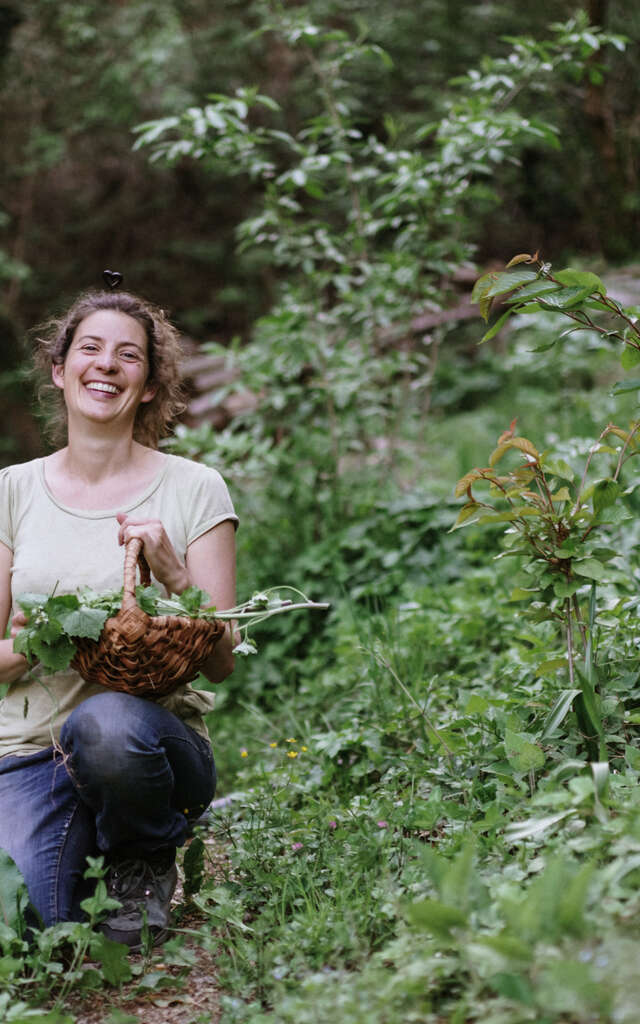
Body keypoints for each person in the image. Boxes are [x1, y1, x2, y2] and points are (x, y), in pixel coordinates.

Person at [0, 283, 238, 948]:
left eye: (128, 356)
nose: (106, 364)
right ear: (60, 368)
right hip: (28, 754)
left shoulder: (195, 488)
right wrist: (45, 643)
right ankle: (81, 850)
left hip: (145, 745)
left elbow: (221, 663)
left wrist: (174, 574)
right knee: (27, 926)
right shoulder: (12, 491)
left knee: (103, 722)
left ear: (151, 385)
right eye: (91, 348)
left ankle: (144, 856)